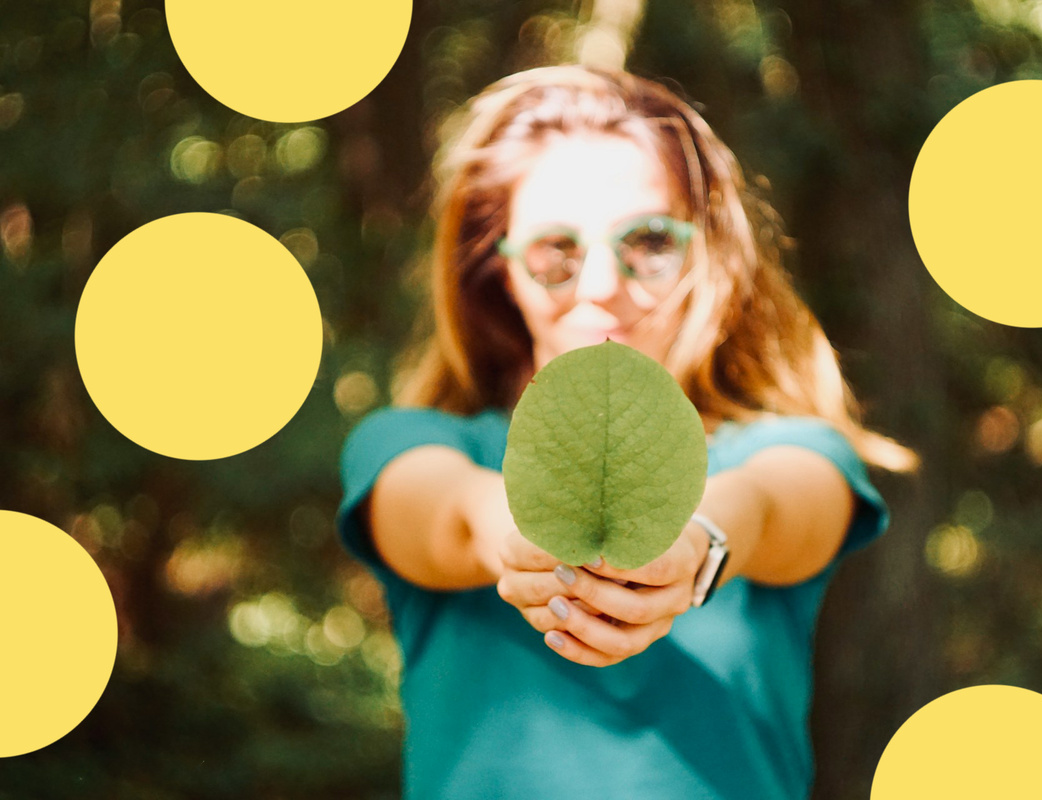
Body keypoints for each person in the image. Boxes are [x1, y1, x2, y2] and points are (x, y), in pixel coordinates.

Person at [336, 65, 916, 800]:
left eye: (648, 241)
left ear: (705, 252)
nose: (603, 284)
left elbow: (770, 507)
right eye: (556, 249)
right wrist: (523, 538)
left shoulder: (792, 450)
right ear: (499, 269)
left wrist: (695, 545)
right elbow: (448, 513)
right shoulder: (405, 444)